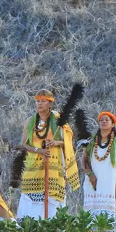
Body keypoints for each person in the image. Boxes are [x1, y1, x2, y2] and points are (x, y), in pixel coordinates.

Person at [17, 89, 79, 220]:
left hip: (52, 165)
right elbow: (25, 144)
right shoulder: (30, 121)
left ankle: (53, 229)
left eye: (43, 101)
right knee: (31, 196)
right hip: (33, 166)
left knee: (52, 198)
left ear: (50, 104)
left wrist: (55, 142)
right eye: (37, 101)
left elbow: (68, 143)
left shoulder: (58, 120)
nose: (39, 104)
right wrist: (39, 150)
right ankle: (30, 228)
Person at [82, 111, 116, 232]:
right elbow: (84, 161)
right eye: (101, 120)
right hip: (94, 183)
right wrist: (91, 175)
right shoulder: (92, 141)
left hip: (110, 183)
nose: (103, 121)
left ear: (113, 124)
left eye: (106, 120)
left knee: (109, 213)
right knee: (92, 212)